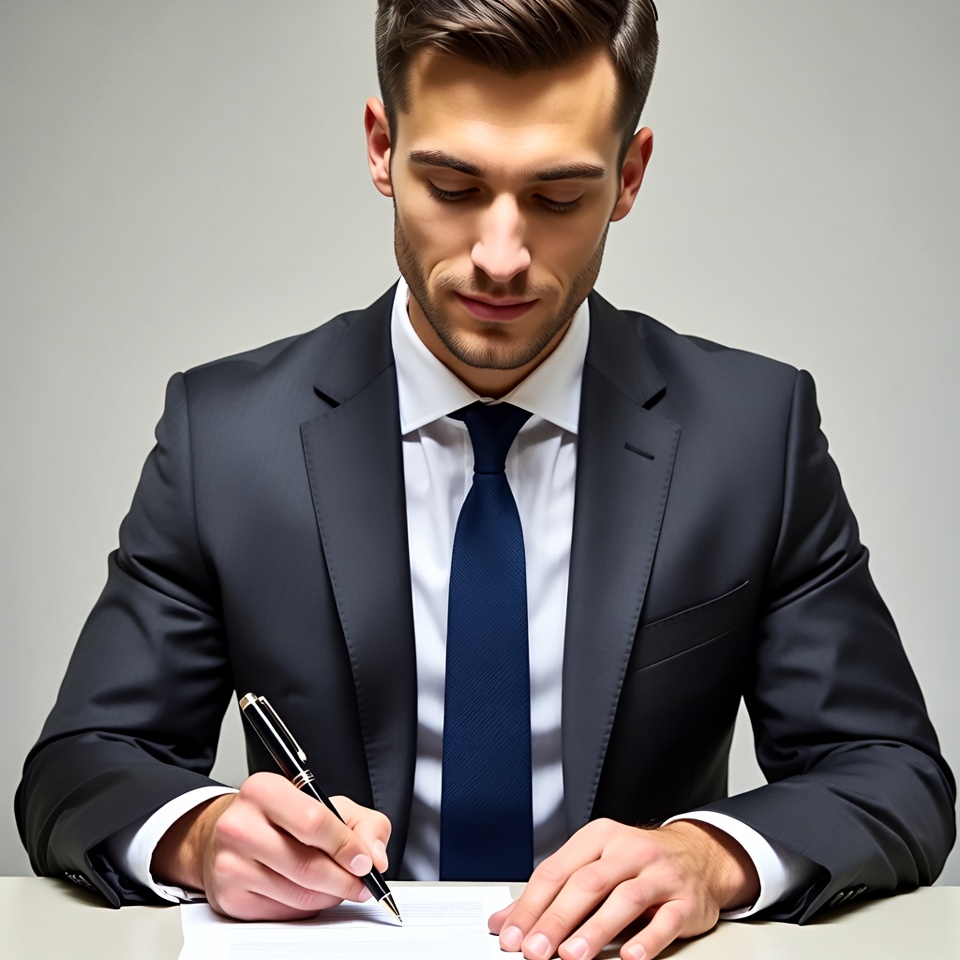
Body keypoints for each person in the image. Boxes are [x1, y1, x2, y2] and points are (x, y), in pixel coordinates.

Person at [16, 3, 955, 960]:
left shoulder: (753, 434)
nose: (500, 258)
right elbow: (82, 767)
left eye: (557, 197)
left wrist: (709, 857)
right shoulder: (225, 437)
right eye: (454, 185)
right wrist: (201, 837)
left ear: (629, 176)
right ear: (382, 149)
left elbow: (889, 774)